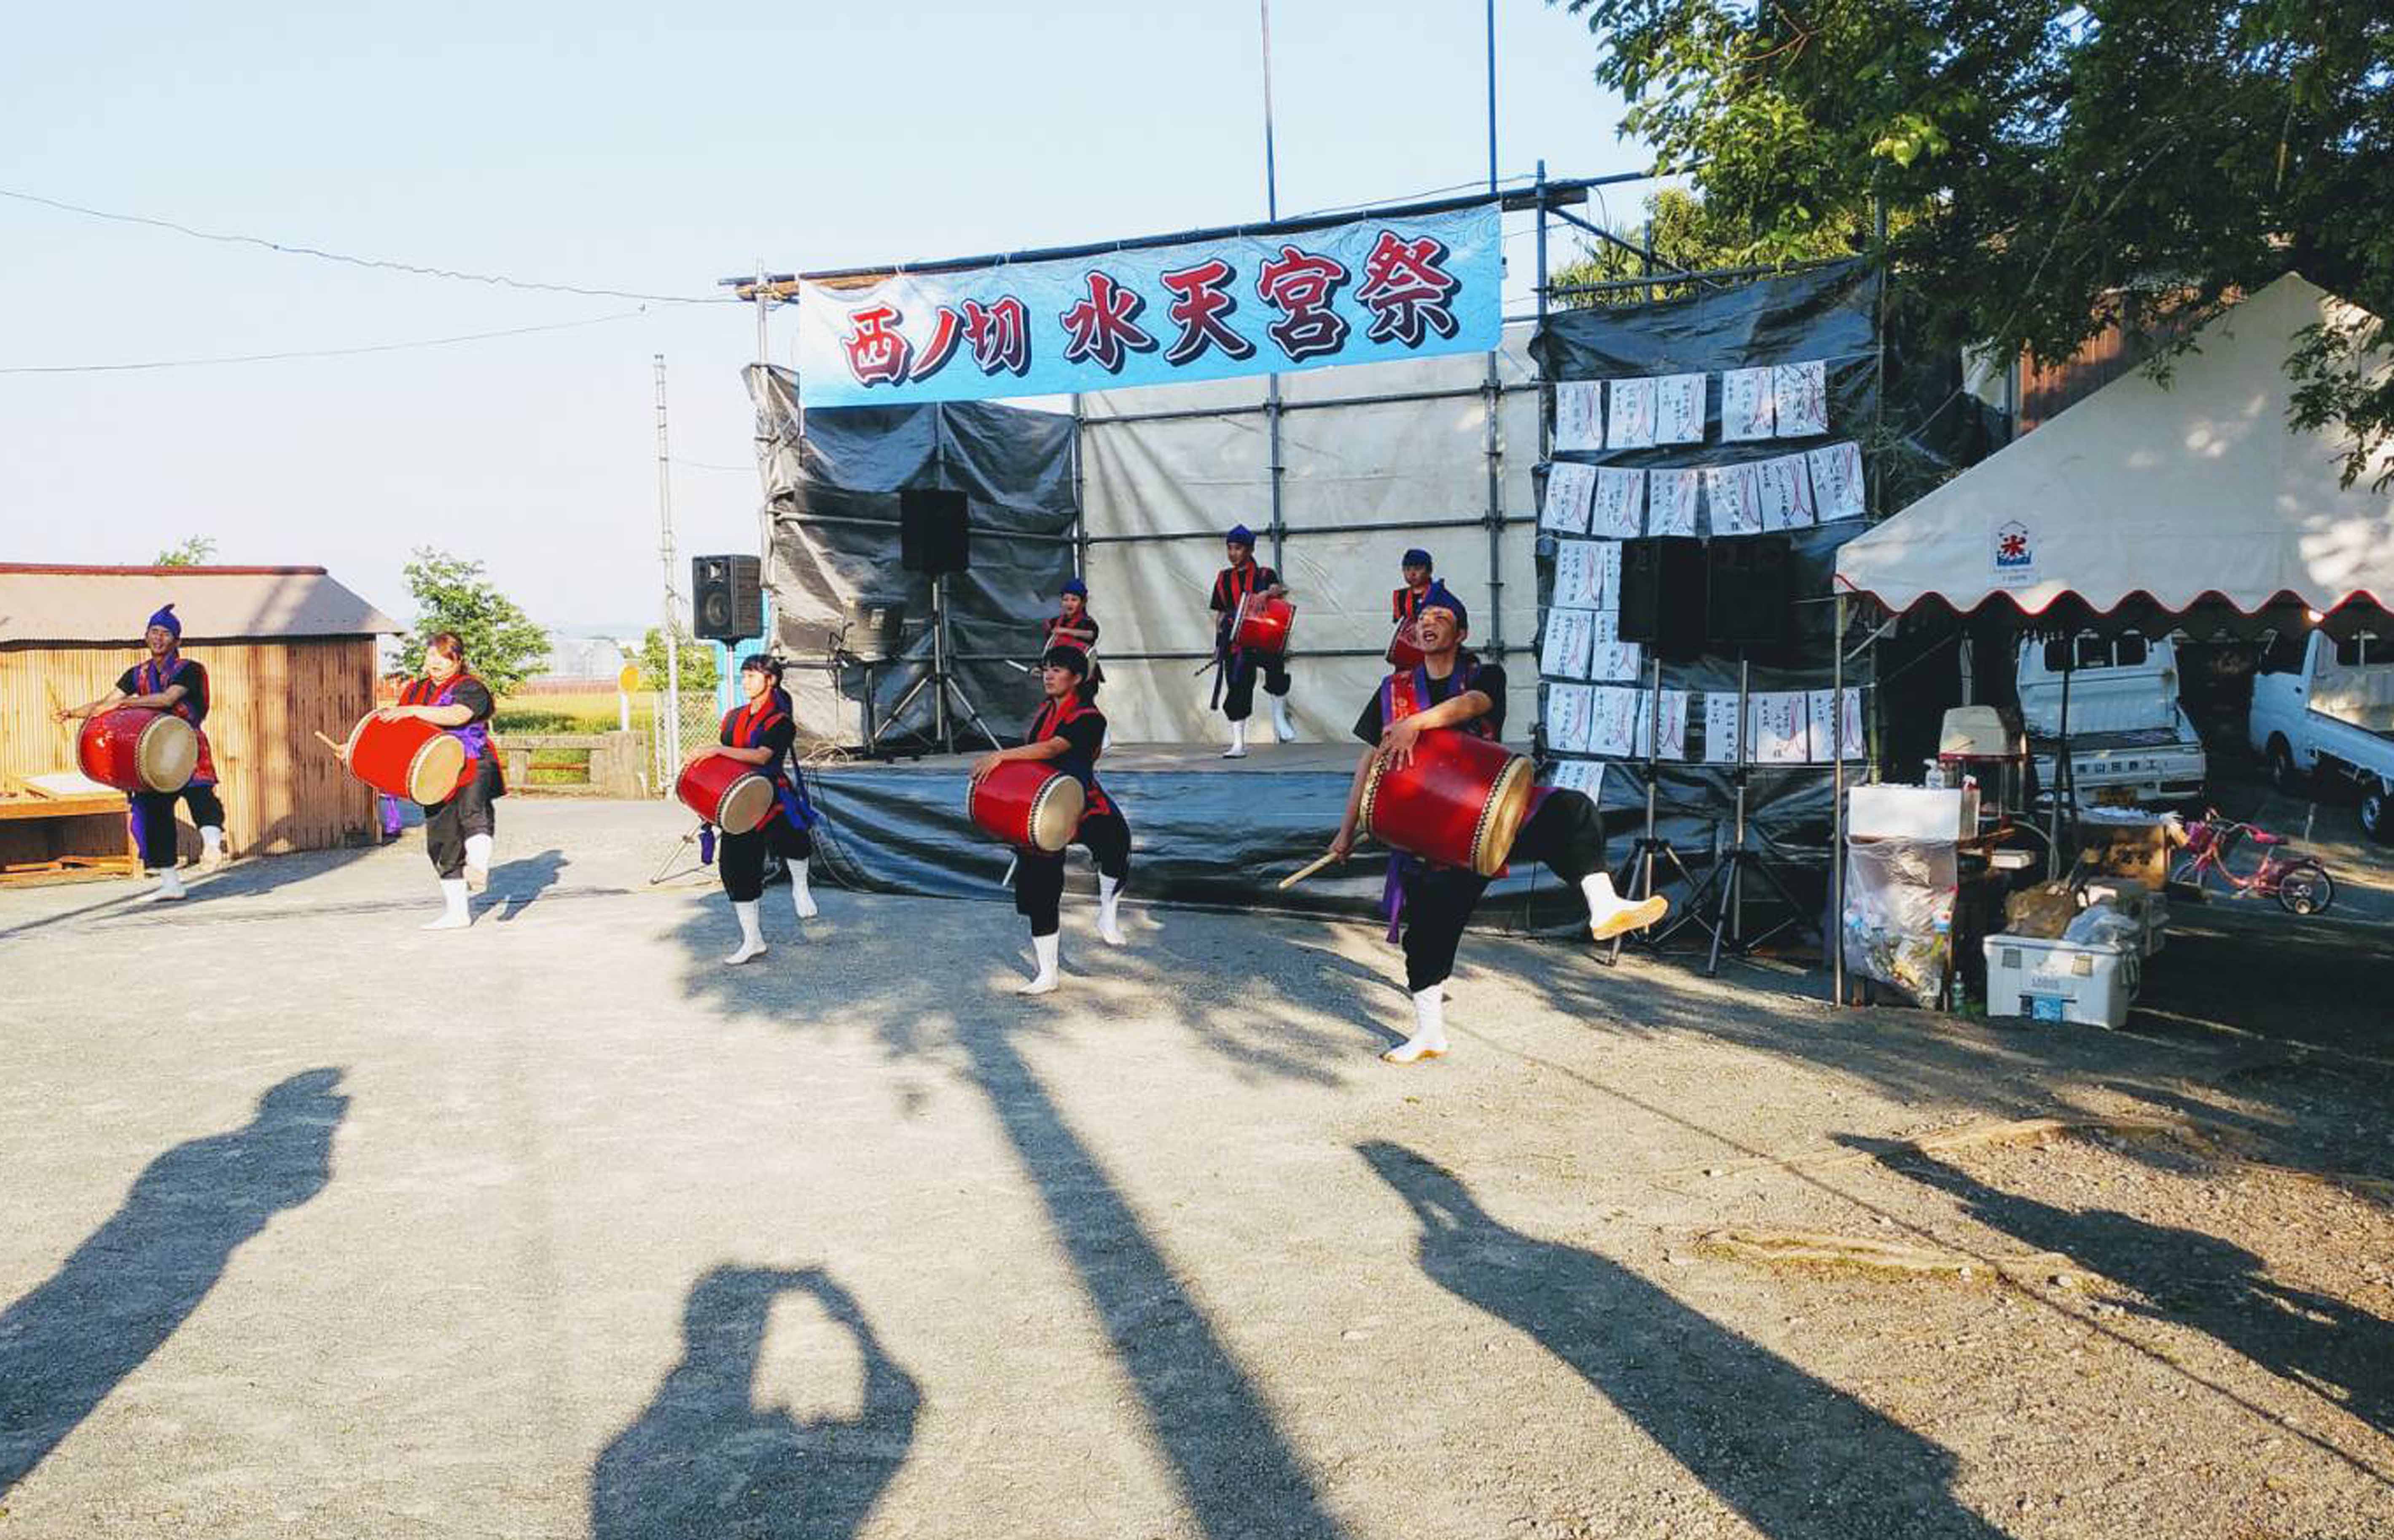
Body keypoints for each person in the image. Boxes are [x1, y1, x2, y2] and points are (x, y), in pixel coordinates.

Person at [1327, 585, 1668, 1064]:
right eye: (1423, 616)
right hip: (1436, 831)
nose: (1428, 622)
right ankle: (1430, 1034)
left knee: (1572, 810)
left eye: (1442, 616)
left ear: (1461, 632)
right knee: (1427, 933)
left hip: (1495, 808)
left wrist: (1416, 724)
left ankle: (1604, 904)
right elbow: (1369, 760)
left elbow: (1472, 706)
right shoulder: (1393, 689)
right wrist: (1347, 831)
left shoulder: (1483, 673)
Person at [971, 646, 1129, 994]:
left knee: (1117, 842)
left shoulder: (1090, 717)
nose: (1048, 675)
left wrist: (1000, 756)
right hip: (1041, 805)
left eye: (1057, 670)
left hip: (1082, 800)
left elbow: (1051, 750)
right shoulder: (1045, 710)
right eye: (1046, 669)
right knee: (1041, 889)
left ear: (1076, 678)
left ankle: (1107, 912)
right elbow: (1037, 757)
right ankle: (1048, 974)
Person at [53, 603, 227, 900]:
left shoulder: (190, 670)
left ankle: (212, 846)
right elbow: (107, 702)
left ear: (177, 641)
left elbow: (166, 699)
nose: (158, 638)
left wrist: (123, 705)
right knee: (152, 813)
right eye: (154, 632)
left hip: (185, 741)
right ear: (146, 636)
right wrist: (73, 713)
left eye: (165, 633)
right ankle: (171, 883)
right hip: (150, 754)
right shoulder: (138, 673)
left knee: (199, 794)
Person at [382, 632, 505, 930]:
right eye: (431, 656)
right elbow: (396, 731)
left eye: (443, 656)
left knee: (472, 811)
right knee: (442, 836)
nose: (434, 662)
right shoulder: (415, 690)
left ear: (458, 660)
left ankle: (477, 864)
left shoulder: (471, 688)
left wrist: (412, 711)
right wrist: (354, 750)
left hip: (471, 757)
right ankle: (458, 913)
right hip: (432, 769)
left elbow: (456, 714)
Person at [707, 654, 820, 966]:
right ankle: (753, 939)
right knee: (734, 865)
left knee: (792, 838)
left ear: (771, 680)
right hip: (739, 796)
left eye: (752, 677)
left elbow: (761, 756)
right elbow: (730, 760)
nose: (745, 682)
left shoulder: (781, 721)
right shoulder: (732, 717)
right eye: (743, 677)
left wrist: (716, 749)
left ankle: (800, 887)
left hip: (770, 791)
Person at [1208, 523, 1294, 757]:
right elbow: (1221, 613)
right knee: (1237, 686)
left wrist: (1266, 593)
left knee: (1276, 669)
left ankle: (1279, 718)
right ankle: (1238, 744)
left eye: (1238, 548)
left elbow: (1280, 589)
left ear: (1250, 550)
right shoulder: (1224, 578)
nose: (1232, 553)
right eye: (1230, 548)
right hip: (1236, 641)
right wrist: (1219, 645)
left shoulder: (1265, 574)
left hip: (1263, 635)